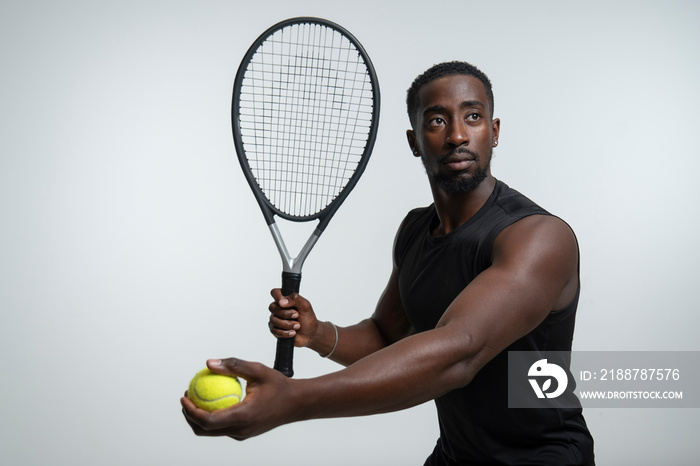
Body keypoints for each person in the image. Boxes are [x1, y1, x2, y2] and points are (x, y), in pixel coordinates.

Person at [182, 61, 595, 465]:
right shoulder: (416, 230)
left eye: (473, 116)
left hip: (542, 457)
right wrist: (320, 333)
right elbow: (386, 337)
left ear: (495, 131)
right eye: (436, 121)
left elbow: (459, 352)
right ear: (414, 140)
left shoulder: (538, 237)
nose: (456, 135)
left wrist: (294, 400)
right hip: (456, 455)